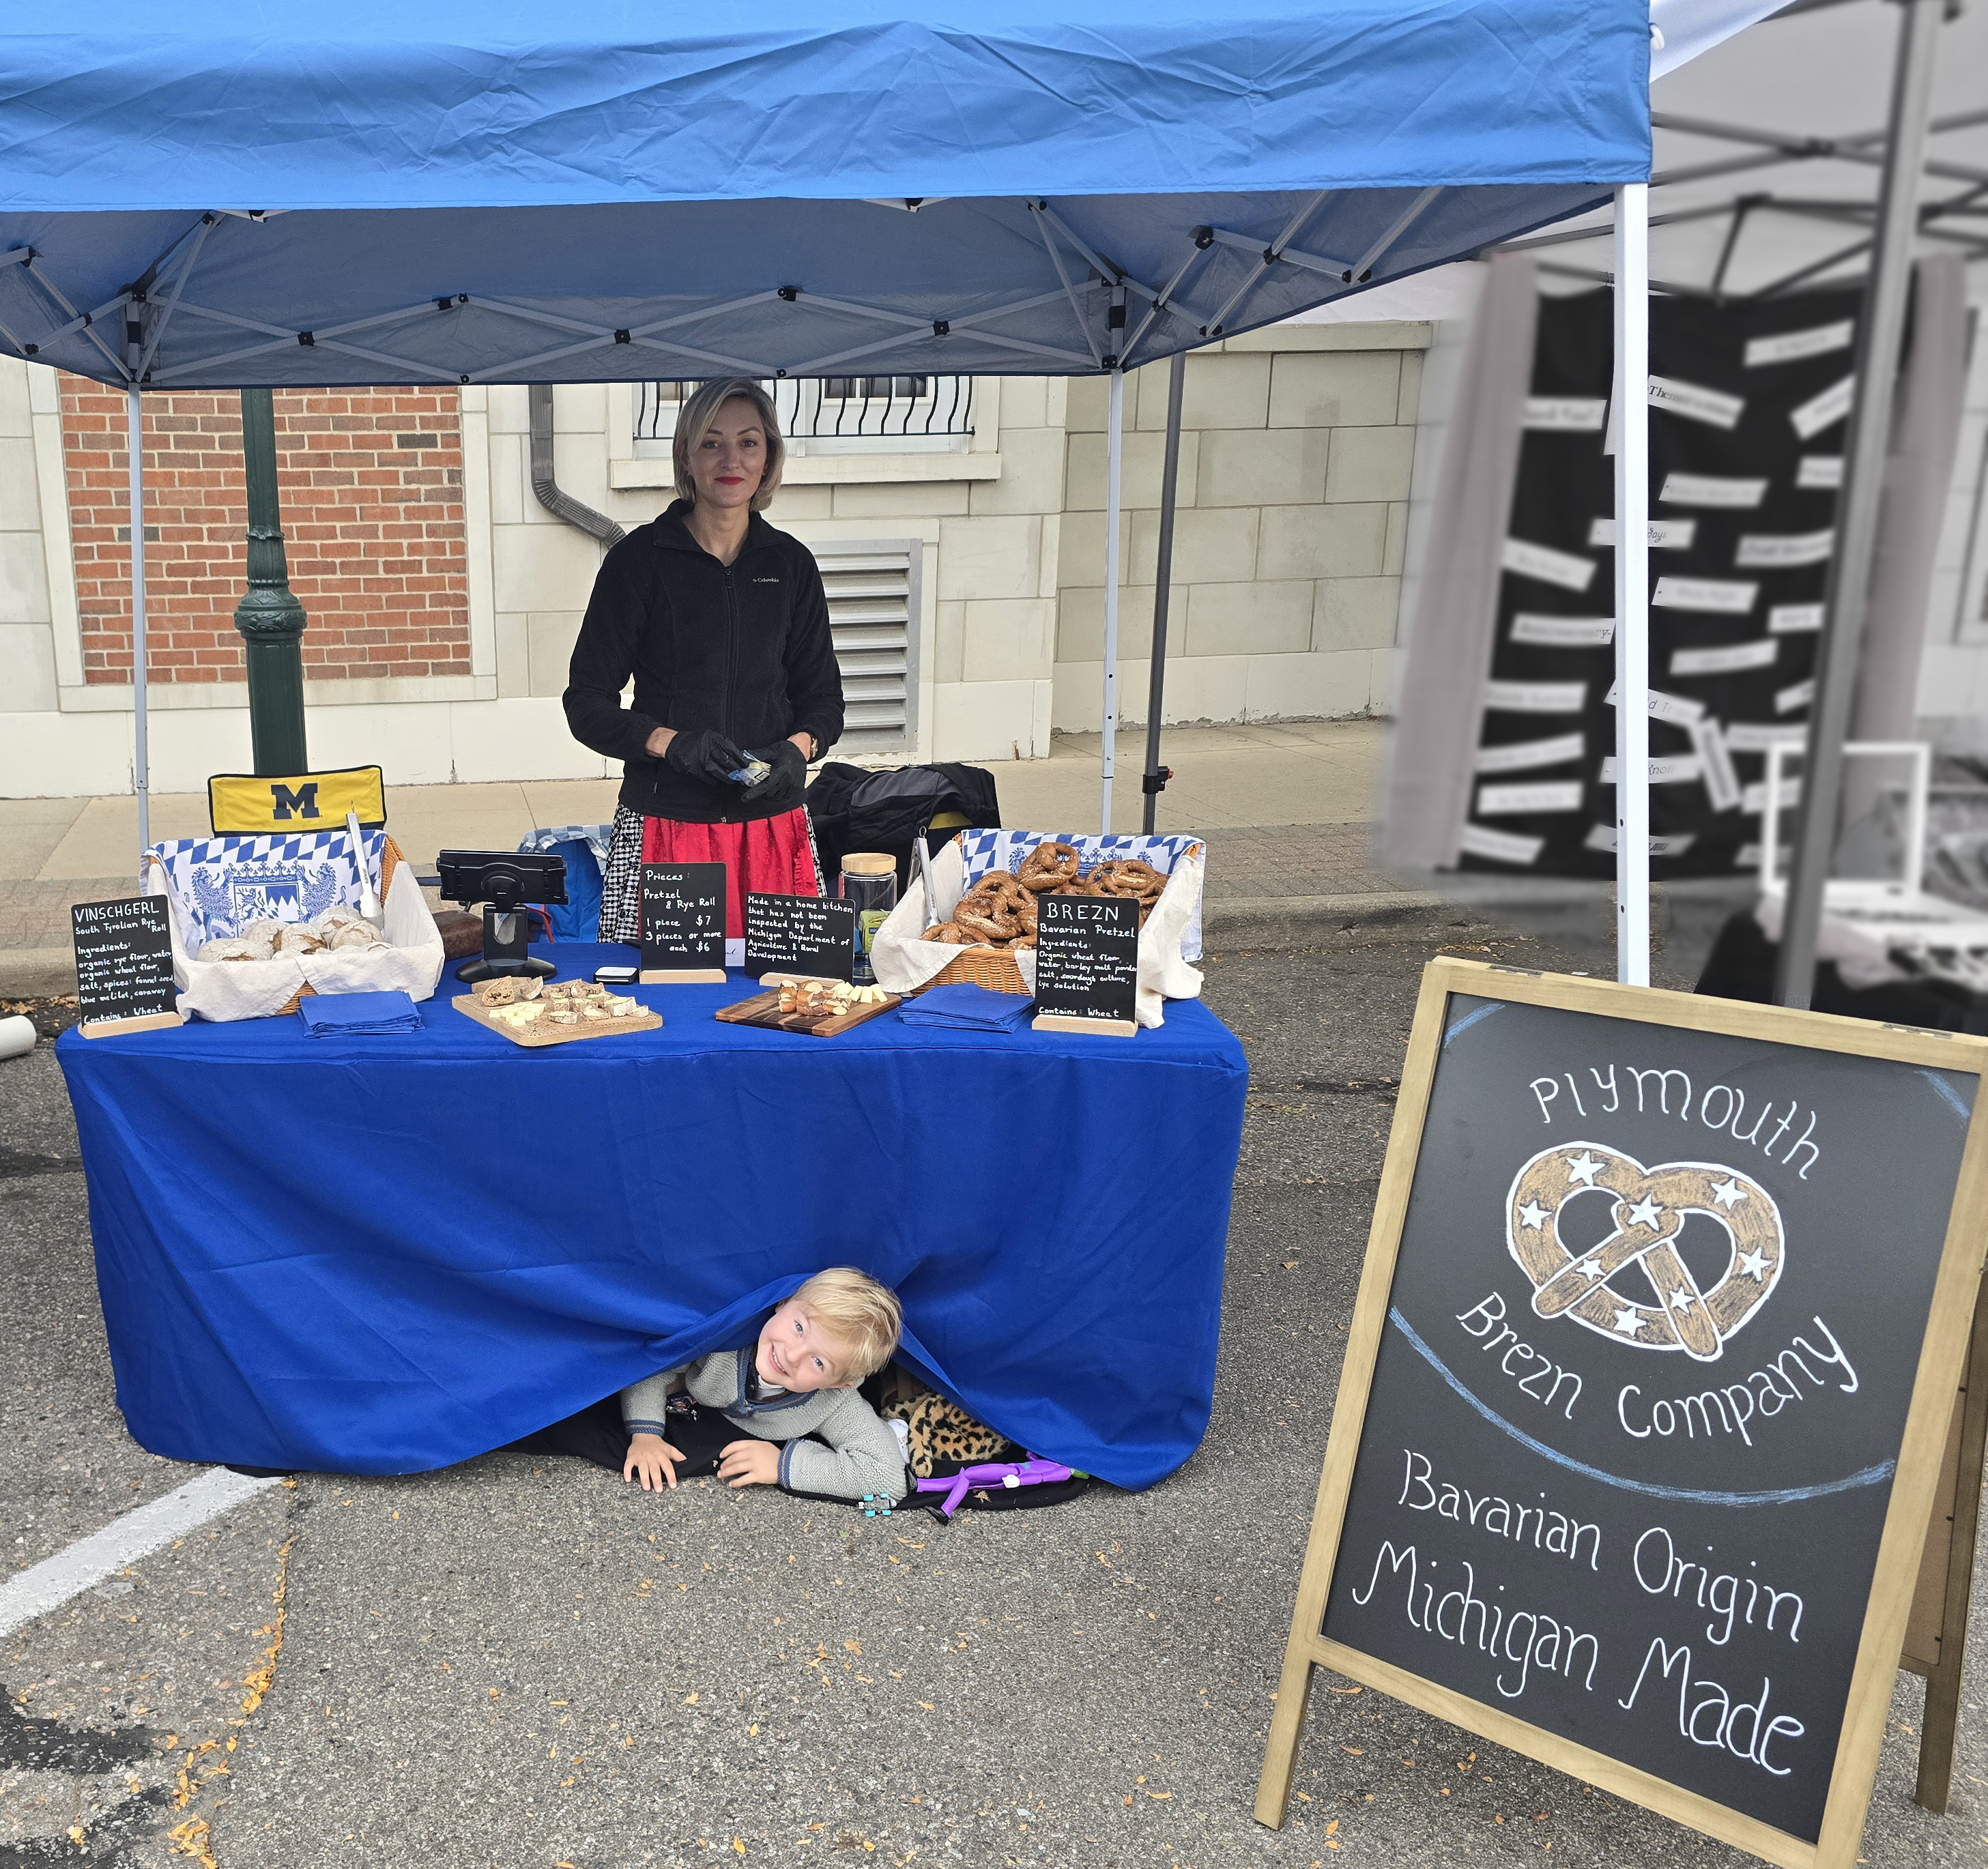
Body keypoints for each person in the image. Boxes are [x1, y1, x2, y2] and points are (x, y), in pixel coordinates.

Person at [563, 379, 844, 952]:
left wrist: (799, 749)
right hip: (666, 825)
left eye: (748, 442)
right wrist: (670, 742)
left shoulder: (790, 564)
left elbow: (824, 700)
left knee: (784, 998)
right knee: (660, 1003)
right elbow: (586, 703)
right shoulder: (637, 563)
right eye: (711, 443)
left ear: (768, 459)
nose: (731, 460)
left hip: (773, 828)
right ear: (686, 458)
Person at [620, 1268, 906, 1504]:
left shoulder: (834, 1402)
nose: (792, 1356)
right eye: (799, 1328)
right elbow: (656, 1365)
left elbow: (886, 1480)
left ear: (841, 1383)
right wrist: (646, 1435)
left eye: (819, 1362)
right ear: (783, 1303)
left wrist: (782, 1465)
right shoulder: (723, 1344)